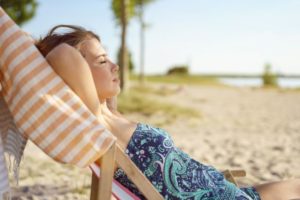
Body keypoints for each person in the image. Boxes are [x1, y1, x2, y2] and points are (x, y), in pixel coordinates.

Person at [35, 25, 300, 200]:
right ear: (78, 76)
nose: (115, 66)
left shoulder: (109, 113)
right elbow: (61, 54)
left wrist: (98, 70)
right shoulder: (97, 124)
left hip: (223, 190)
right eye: (102, 61)